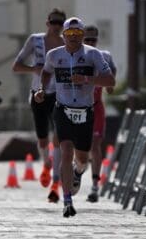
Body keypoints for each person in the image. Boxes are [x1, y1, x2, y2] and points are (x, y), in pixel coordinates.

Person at [35, 17, 115, 218]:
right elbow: (45, 73)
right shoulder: (54, 55)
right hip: (62, 110)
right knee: (66, 151)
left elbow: (110, 80)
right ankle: (67, 200)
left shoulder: (93, 55)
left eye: (77, 34)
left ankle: (78, 172)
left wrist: (87, 79)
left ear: (82, 36)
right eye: (69, 34)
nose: (73, 38)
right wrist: (41, 90)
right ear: (63, 35)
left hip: (85, 111)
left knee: (82, 158)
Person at [12, 8, 66, 203]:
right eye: (54, 22)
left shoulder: (66, 43)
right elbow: (16, 66)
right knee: (43, 139)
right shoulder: (35, 41)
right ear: (47, 23)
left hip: (59, 95)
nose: (57, 26)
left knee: (58, 136)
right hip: (38, 95)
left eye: (61, 23)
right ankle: (46, 164)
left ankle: (56, 182)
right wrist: (33, 69)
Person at [83, 25, 116, 203]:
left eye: (92, 40)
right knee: (79, 146)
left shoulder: (104, 56)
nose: (90, 43)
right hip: (79, 107)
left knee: (95, 145)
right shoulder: (76, 56)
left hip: (96, 107)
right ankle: (78, 170)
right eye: (86, 40)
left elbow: (112, 71)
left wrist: (110, 85)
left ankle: (95, 185)